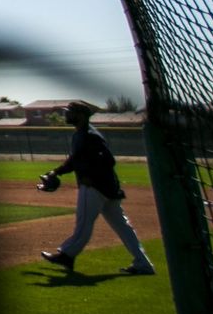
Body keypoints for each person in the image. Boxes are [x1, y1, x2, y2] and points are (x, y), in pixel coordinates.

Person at [39, 100, 156, 275]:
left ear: (80, 116)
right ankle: (143, 263)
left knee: (84, 224)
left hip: (95, 187)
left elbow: (109, 160)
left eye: (70, 112)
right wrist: (56, 172)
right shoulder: (80, 135)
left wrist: (89, 175)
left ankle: (67, 255)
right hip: (106, 187)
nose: (66, 115)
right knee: (123, 227)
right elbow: (75, 160)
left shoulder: (90, 136)